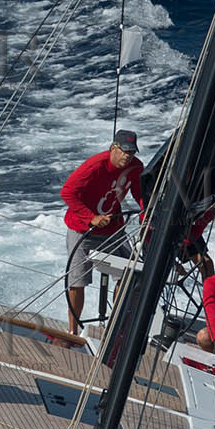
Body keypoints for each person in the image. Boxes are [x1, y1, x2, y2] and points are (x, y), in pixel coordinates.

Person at [60, 129, 144, 334]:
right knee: (77, 281)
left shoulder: (135, 167)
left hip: (113, 229)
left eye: (131, 152)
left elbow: (140, 193)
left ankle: (116, 328)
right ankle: (73, 331)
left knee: (127, 275)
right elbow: (67, 192)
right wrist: (92, 218)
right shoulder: (94, 166)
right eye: (124, 151)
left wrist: (145, 214)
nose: (127, 156)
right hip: (82, 230)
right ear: (113, 147)